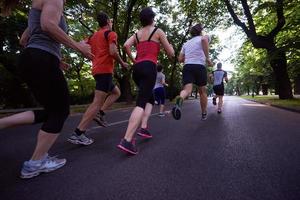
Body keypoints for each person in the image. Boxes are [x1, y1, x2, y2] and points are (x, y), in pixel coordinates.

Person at [0, 0, 93, 179]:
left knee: (51, 111)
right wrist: (78, 47)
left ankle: (2, 123)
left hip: (32, 59)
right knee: (60, 111)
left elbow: (24, 39)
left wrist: (54, 58)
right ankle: (35, 163)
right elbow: (47, 24)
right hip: (41, 59)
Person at [117, 7, 174, 155]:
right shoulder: (158, 31)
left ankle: (144, 127)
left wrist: (133, 60)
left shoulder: (137, 34)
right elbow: (171, 53)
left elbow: (125, 45)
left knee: (150, 98)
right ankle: (127, 140)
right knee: (141, 102)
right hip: (149, 68)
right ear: (152, 18)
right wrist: (171, 49)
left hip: (137, 69)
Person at [68, 12, 128, 145]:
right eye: (111, 21)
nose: (111, 23)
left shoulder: (93, 35)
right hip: (104, 71)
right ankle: (78, 133)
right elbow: (112, 52)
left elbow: (80, 43)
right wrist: (123, 63)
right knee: (96, 102)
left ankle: (100, 112)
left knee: (116, 92)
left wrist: (87, 55)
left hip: (97, 70)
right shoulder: (111, 33)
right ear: (107, 21)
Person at [172, 23, 213, 121]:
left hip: (188, 66)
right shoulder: (204, 37)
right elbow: (204, 40)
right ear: (200, 31)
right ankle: (203, 113)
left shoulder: (186, 43)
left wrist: (190, 56)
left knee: (187, 90)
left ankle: (179, 101)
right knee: (202, 91)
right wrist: (207, 58)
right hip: (199, 66)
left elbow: (180, 59)